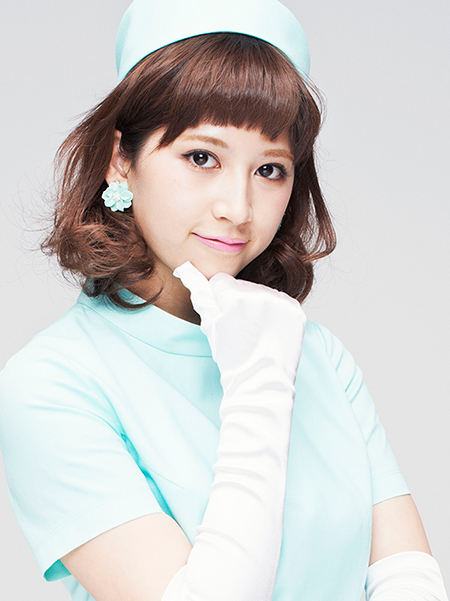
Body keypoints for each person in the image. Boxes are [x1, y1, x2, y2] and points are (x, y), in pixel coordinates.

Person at [0, 0, 447, 600]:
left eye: (270, 169)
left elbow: (407, 577)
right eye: (201, 157)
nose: (237, 208)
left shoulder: (318, 354)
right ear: (121, 162)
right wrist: (259, 384)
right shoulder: (51, 384)